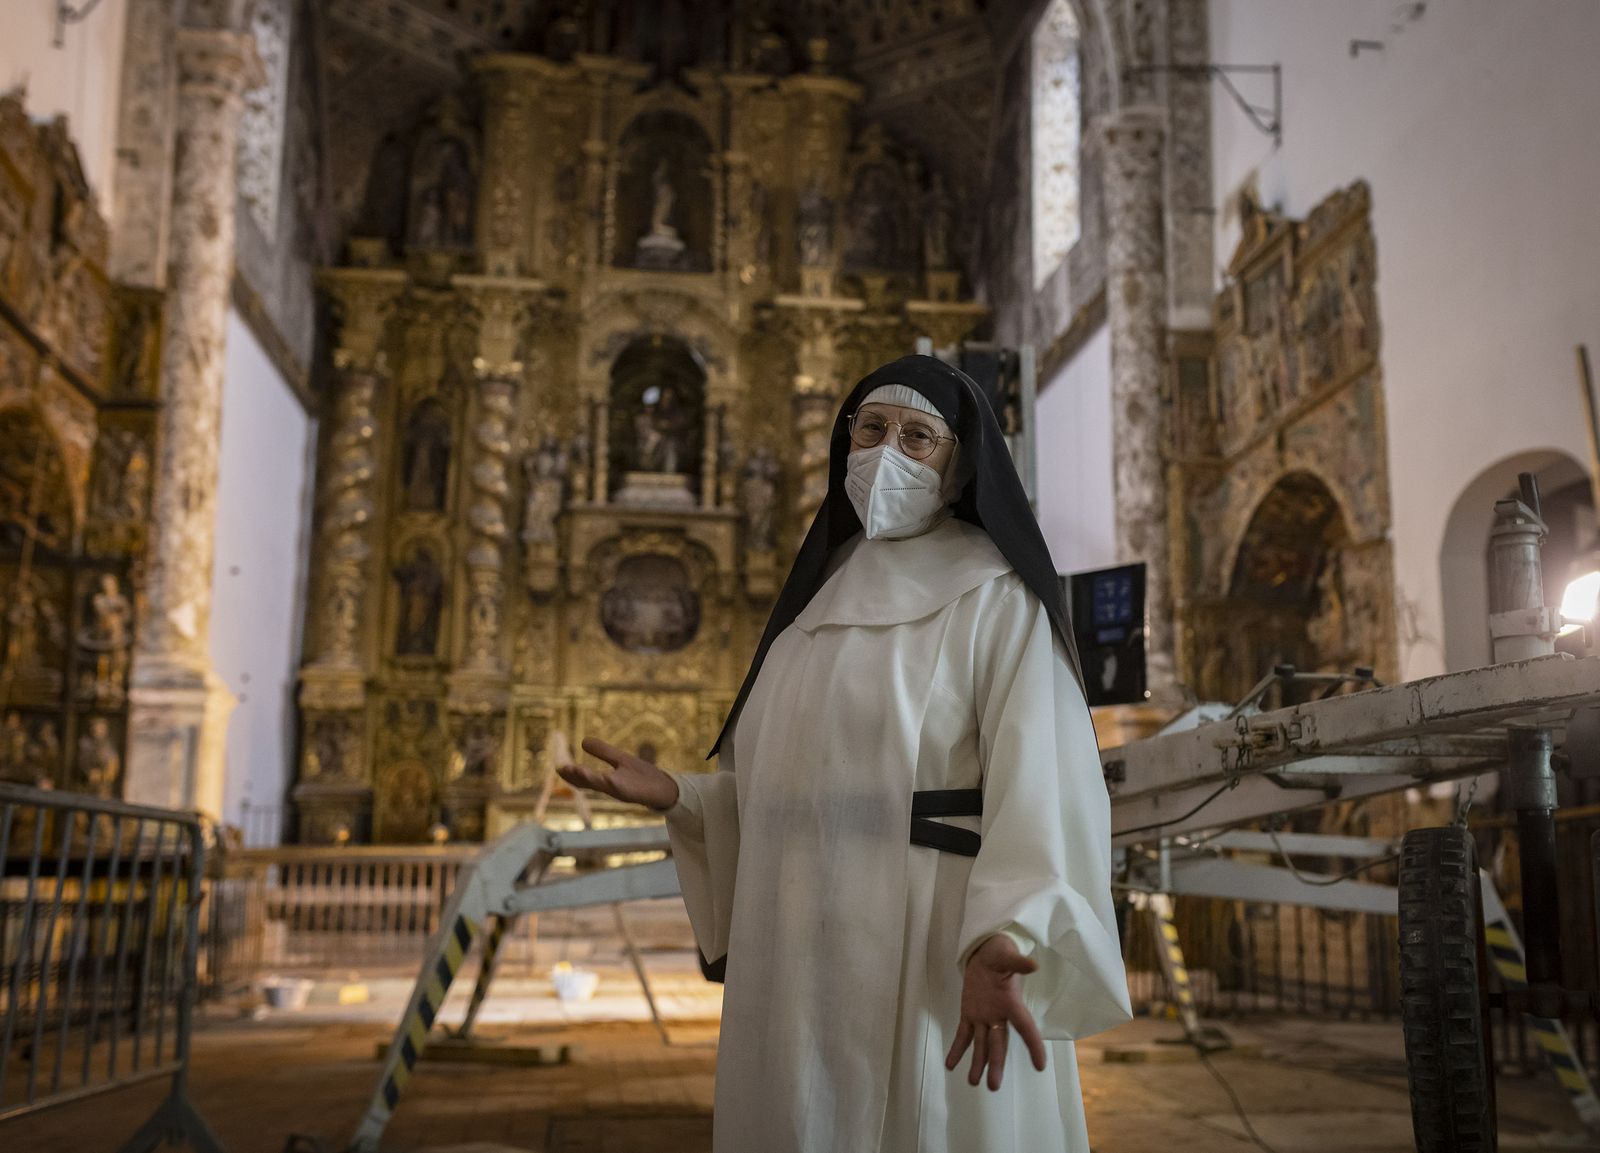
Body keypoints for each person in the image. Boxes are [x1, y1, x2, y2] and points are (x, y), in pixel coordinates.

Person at [558, 354, 1130, 1153]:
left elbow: (1044, 782)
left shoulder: (996, 596)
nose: (887, 450)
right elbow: (804, 787)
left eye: (917, 436)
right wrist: (687, 797)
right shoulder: (815, 600)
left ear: (960, 461)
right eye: (871, 428)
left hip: (934, 940)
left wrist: (1006, 933)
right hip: (796, 945)